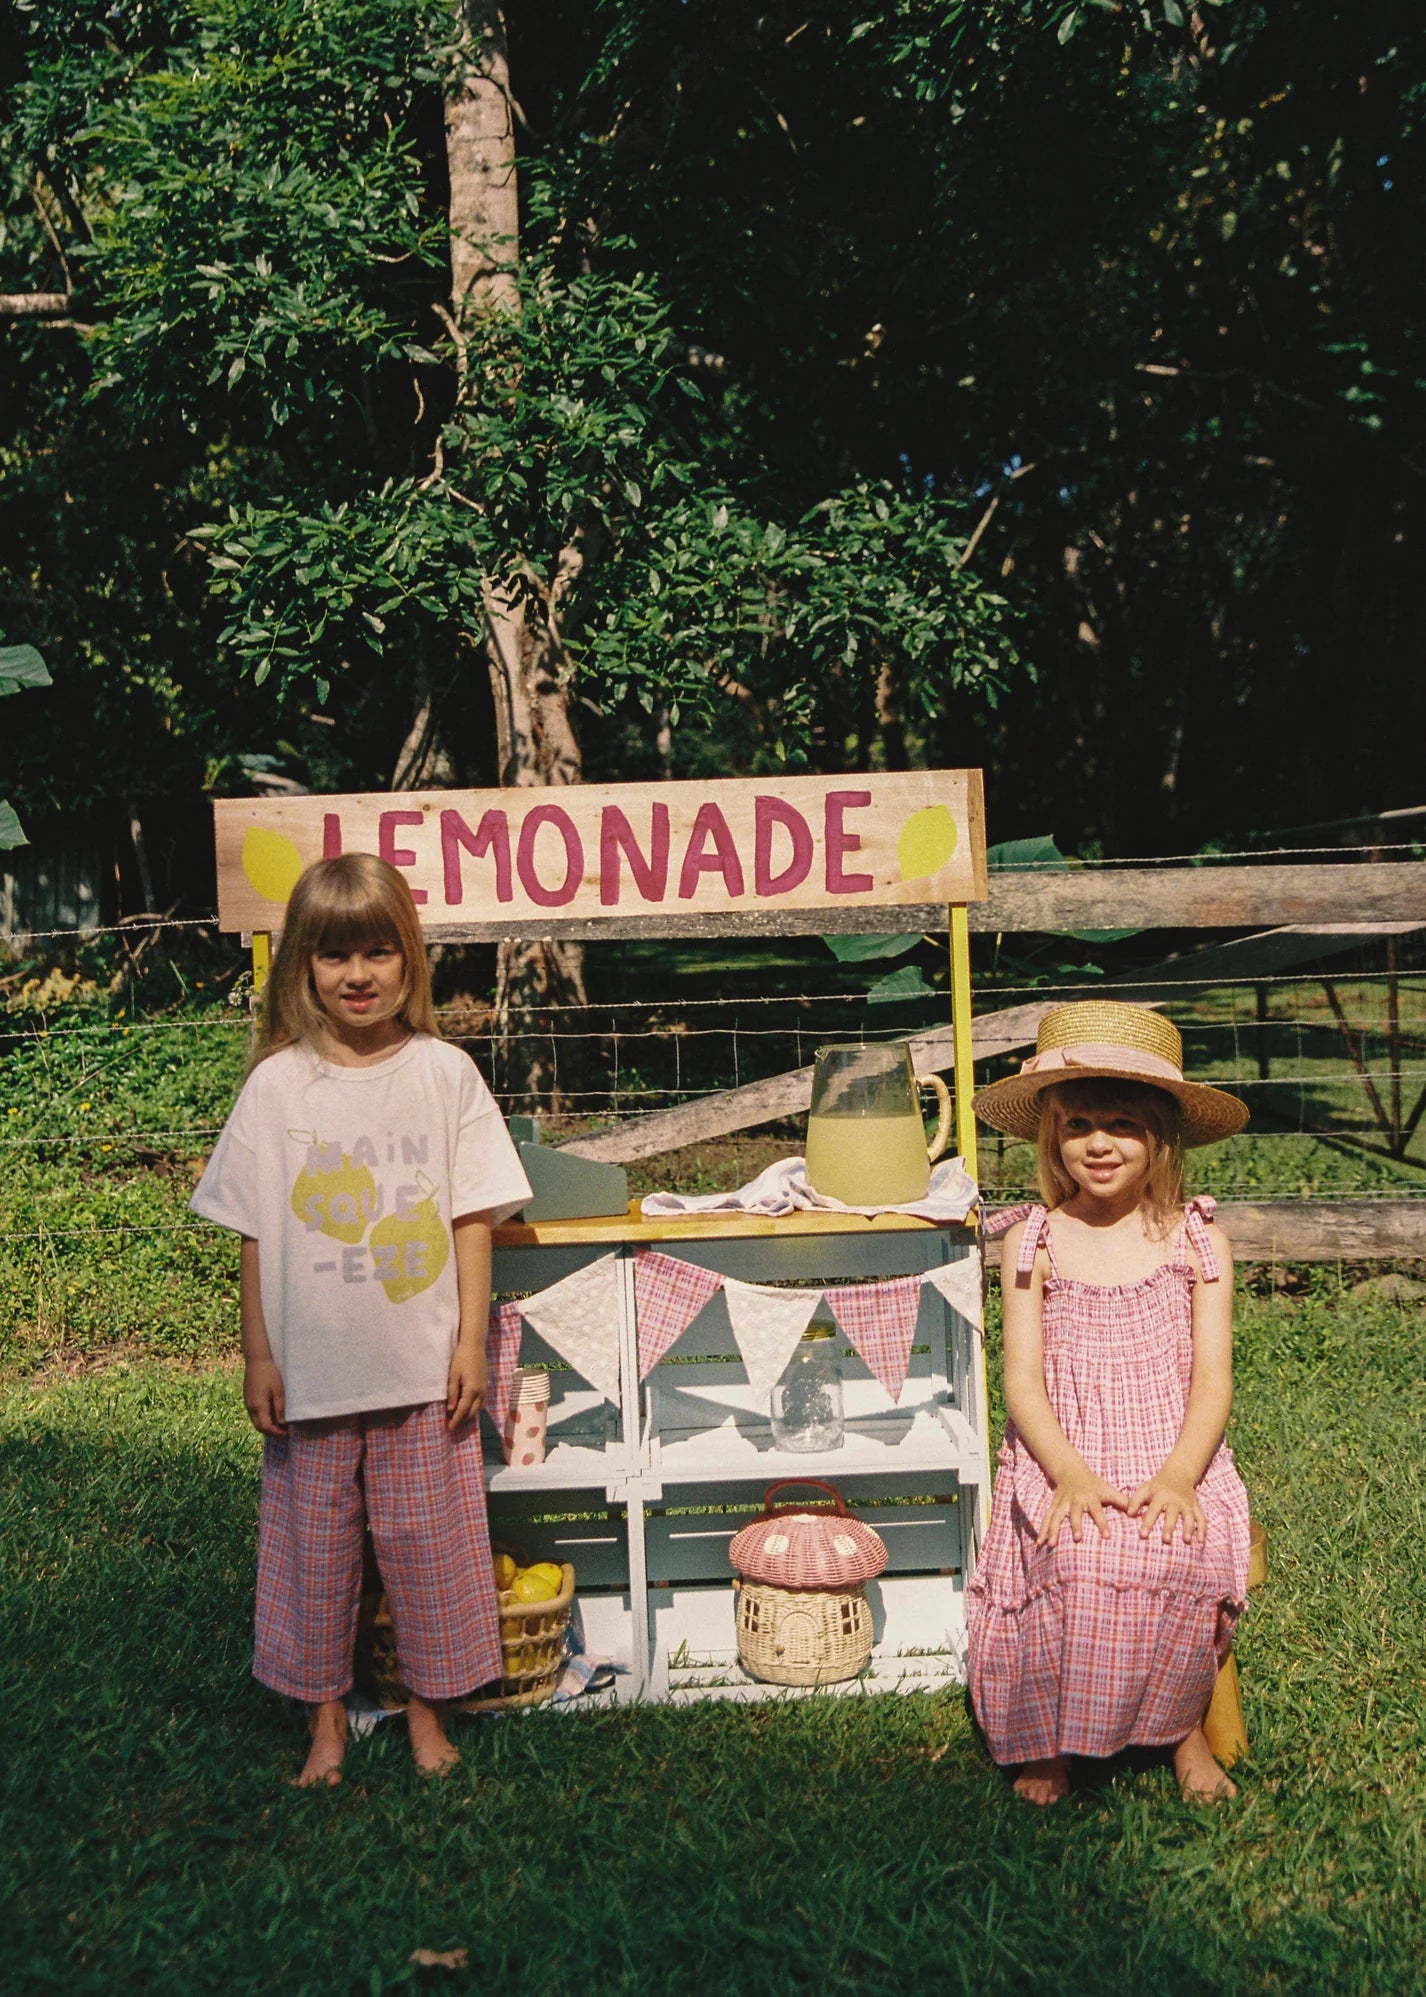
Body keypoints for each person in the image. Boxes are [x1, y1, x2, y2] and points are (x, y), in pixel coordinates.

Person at [191, 852, 531, 1786]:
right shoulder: (276, 1088)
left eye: (379, 951)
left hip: (422, 1371)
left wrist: (469, 1337)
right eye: (336, 955)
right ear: (302, 965)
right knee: (314, 1552)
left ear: (410, 960)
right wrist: (258, 1352)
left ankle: (430, 1717)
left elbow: (472, 1217)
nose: (358, 974)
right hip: (313, 1374)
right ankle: (326, 1726)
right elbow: (256, 1230)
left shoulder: (445, 1073)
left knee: (431, 1549)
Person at [966, 1000, 1251, 1806]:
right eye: (1079, 1122)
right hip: (1067, 1451)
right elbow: (1021, 1380)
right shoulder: (1036, 1240)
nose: (1098, 1142)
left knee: (1172, 1550)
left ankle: (1181, 1731)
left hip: (1171, 1449)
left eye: (1121, 1123)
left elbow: (1212, 1382)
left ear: (1159, 1134)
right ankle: (1052, 1739)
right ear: (1051, 1134)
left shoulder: (1198, 1243)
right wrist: (1068, 1473)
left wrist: (1180, 1475)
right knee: (1082, 1553)